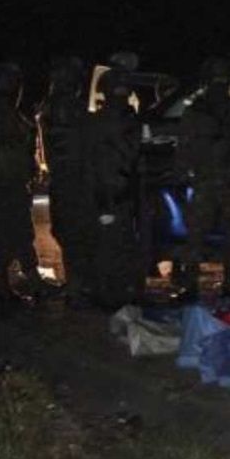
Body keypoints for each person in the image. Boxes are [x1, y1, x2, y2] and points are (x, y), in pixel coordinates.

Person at [176, 57, 230, 298]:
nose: (219, 85)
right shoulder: (197, 111)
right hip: (208, 177)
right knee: (197, 230)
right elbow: (184, 145)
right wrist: (184, 169)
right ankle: (191, 284)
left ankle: (229, 284)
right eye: (216, 80)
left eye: (222, 80)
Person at [87, 68, 144, 308]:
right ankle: (110, 294)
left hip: (119, 192)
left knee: (118, 243)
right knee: (111, 244)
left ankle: (116, 292)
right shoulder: (103, 122)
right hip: (110, 193)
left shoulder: (125, 120)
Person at [40, 57, 94, 302]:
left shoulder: (56, 106)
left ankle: (78, 284)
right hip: (72, 177)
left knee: (70, 230)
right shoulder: (66, 107)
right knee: (73, 231)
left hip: (68, 176)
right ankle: (78, 285)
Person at [0, 63, 39, 304]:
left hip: (12, 183)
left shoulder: (13, 115)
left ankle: (16, 286)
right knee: (14, 234)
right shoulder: (7, 115)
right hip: (7, 185)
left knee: (16, 234)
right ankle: (15, 287)